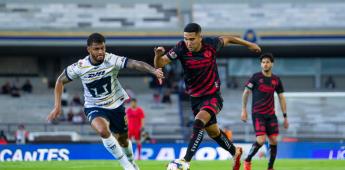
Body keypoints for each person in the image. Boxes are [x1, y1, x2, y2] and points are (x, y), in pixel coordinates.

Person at [47, 33, 164, 170]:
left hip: (116, 105)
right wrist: (57, 106)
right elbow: (60, 80)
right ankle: (126, 165)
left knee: (124, 141)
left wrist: (153, 71)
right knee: (103, 131)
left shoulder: (112, 59)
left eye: (103, 48)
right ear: (89, 49)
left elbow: (134, 64)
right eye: (96, 49)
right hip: (94, 106)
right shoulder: (80, 66)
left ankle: (132, 162)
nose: (101, 52)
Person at [154, 23, 261, 170]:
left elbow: (228, 39)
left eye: (192, 39)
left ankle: (185, 160)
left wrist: (249, 44)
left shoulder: (210, 44)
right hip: (195, 98)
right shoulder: (180, 48)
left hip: (213, 96)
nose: (188, 42)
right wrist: (158, 55)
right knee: (213, 132)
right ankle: (235, 152)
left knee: (199, 122)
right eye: (186, 39)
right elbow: (160, 63)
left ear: (200, 37)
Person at [241, 53, 289, 170]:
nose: (265, 64)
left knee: (273, 140)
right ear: (261, 64)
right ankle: (247, 160)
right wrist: (243, 110)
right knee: (261, 140)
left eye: (267, 62)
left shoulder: (276, 80)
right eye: (263, 62)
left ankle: (270, 167)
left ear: (272, 64)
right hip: (258, 114)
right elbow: (246, 93)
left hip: (271, 115)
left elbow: (282, 97)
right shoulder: (256, 77)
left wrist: (285, 116)